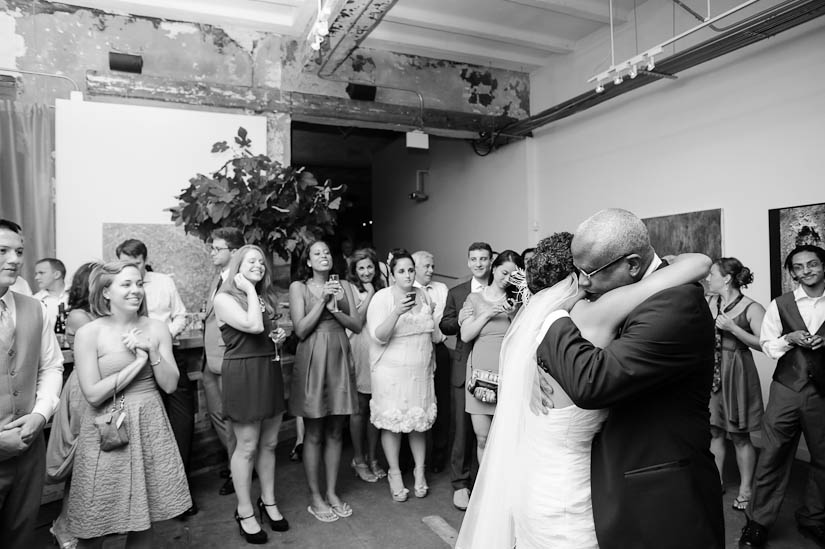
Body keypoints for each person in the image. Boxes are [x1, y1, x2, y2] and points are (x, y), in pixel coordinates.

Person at [457, 230, 714, 548]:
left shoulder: (531, 322)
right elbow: (699, 264)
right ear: (579, 277)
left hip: (534, 488)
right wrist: (669, 261)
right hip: (570, 495)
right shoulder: (589, 316)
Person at [532, 209, 724, 548]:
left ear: (632, 265)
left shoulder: (676, 304)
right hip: (607, 474)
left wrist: (549, 317)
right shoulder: (629, 288)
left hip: (659, 496)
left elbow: (592, 383)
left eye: (588, 273)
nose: (583, 283)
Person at [66, 261, 191, 548]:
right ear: (106, 292)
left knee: (144, 517)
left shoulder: (157, 328)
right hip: (106, 427)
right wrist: (137, 363)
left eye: (139, 284)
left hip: (149, 422)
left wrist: (152, 350)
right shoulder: (90, 333)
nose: (136, 291)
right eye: (126, 284)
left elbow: (170, 384)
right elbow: (94, 395)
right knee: (94, 517)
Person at [740, 244, 825, 548]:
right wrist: (788, 338)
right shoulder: (781, 304)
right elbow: (768, 346)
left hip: (822, 393)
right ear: (791, 273)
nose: (806, 271)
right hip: (787, 389)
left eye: (812, 265)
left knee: (823, 458)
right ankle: (758, 522)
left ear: (823, 267)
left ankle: (815, 518)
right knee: (772, 455)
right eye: (798, 267)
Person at [214, 244, 288, 544]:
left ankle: (268, 501)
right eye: (250, 261)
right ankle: (244, 510)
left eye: (261, 261)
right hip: (243, 374)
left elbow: (265, 334)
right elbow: (253, 325)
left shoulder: (263, 297)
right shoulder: (223, 297)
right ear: (237, 266)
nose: (258, 264)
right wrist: (245, 286)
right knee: (246, 446)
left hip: (269, 370)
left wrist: (278, 338)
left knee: (269, 443)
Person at [115, 239, 195, 515]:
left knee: (181, 424)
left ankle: (181, 493)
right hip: (134, 362)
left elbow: (181, 315)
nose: (132, 270)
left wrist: (161, 337)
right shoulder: (118, 286)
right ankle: (144, 498)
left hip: (168, 353)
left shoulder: (163, 282)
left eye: (136, 263)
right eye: (126, 263)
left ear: (145, 259)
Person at [0, 219, 64, 549]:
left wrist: (40, 414)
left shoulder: (35, 308)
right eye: (2, 251)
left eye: (18, 251)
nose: (14, 259)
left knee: (21, 536)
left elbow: (52, 367)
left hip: (28, 450)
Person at [289, 240, 361, 522]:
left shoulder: (343, 284)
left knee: (335, 431)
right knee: (314, 431)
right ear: (308, 261)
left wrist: (336, 307)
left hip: (339, 354)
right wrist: (322, 300)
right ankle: (315, 496)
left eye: (327, 252)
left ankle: (331, 492)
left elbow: (356, 325)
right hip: (312, 357)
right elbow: (301, 329)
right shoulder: (299, 288)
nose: (324, 256)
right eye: (317, 253)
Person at [368, 250, 437, 502]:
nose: (407, 275)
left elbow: (433, 334)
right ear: (392, 273)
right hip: (391, 372)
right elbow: (378, 335)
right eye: (401, 271)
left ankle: (420, 473)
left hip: (420, 372)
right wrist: (396, 311)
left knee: (418, 422)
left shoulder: (424, 294)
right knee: (394, 423)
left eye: (410, 270)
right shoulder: (382, 298)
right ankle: (394, 472)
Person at [46, 261, 99, 549]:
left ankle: (84, 524)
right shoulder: (80, 315)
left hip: (101, 388)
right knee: (81, 463)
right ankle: (64, 526)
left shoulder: (101, 313)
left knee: (92, 466)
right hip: (84, 391)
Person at [705, 257, 765, 511]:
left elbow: (764, 344)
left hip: (737, 372)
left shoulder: (752, 308)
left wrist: (733, 328)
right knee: (715, 431)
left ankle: (746, 490)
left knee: (739, 436)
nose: (708, 279)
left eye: (712, 275)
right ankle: (715, 482)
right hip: (713, 372)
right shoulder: (710, 301)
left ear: (726, 278)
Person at [439, 241, 492, 511]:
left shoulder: (499, 289)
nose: (479, 263)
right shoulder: (457, 292)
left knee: (488, 432)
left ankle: (485, 482)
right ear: (468, 262)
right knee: (461, 429)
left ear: (491, 261)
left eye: (484, 258)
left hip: (492, 368)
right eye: (474, 259)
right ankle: (460, 484)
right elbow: (445, 325)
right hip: (464, 366)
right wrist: (460, 317)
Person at [460, 250, 523, 463]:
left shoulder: (518, 301)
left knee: (506, 440)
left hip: (508, 375)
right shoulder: (474, 298)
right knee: (483, 438)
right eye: (504, 272)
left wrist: (514, 314)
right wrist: (488, 312)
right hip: (479, 374)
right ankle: (483, 491)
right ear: (494, 268)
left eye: (513, 276)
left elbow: (523, 338)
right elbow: (466, 335)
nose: (507, 279)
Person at [203, 227, 245, 496]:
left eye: (217, 249)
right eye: (212, 248)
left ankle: (239, 469)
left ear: (234, 252)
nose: (212, 253)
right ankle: (236, 461)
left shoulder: (240, 281)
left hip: (227, 356)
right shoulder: (216, 279)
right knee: (216, 414)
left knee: (231, 419)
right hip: (209, 359)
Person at [346, 248, 385, 483]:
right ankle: (358, 459)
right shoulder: (349, 289)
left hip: (380, 350)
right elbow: (357, 322)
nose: (366, 271)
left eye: (370, 266)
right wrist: (369, 294)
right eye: (361, 267)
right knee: (359, 407)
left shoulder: (383, 288)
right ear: (354, 270)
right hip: (359, 349)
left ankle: (373, 458)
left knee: (376, 406)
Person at [412, 250, 450, 473]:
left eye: (432, 265)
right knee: (415, 403)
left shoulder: (441, 289)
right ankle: (411, 459)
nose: (431, 270)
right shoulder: (407, 292)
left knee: (442, 404)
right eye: (426, 266)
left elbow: (441, 321)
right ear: (414, 268)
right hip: (415, 353)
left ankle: (438, 455)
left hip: (438, 348)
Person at [33, 257, 69, 322]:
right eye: (36, 274)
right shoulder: (35, 300)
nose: (36, 277)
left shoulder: (78, 295)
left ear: (57, 274)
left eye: (41, 273)